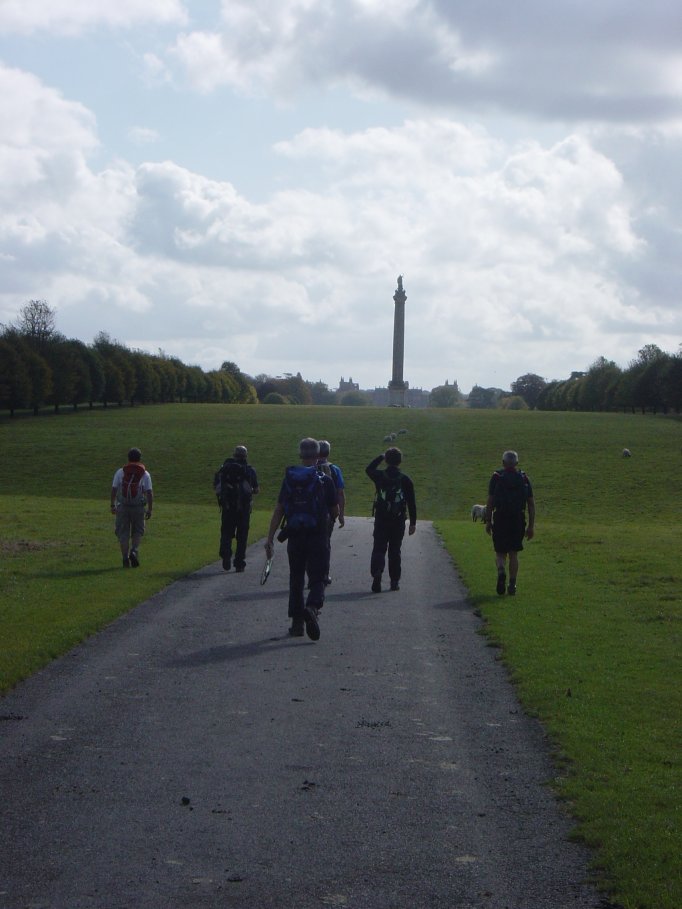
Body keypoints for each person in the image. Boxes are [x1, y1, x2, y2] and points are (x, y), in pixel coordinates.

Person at [265, 438, 338, 640]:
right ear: (318, 455)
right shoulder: (325, 479)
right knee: (319, 576)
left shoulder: (289, 479)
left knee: (296, 579)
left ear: (300, 455)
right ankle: (313, 607)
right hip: (318, 535)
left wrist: (270, 538)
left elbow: (279, 509)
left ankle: (297, 624)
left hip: (295, 536)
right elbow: (334, 510)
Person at [365, 447, 416, 593]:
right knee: (395, 550)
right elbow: (411, 503)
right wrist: (413, 523)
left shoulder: (379, 475)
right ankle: (394, 581)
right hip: (398, 520)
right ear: (400, 461)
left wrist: (380, 457)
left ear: (387, 460)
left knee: (379, 548)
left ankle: (377, 572)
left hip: (381, 518)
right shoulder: (405, 479)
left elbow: (368, 469)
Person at [485, 450, 535, 596]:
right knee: (514, 554)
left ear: (503, 463)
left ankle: (501, 570)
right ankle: (512, 584)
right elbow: (531, 504)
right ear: (517, 463)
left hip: (500, 517)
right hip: (518, 519)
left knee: (500, 552)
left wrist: (488, 521)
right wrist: (531, 526)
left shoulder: (496, 477)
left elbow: (490, 501)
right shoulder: (524, 478)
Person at [214, 445, 259, 572]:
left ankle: (226, 555)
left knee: (226, 532)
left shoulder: (224, 469)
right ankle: (239, 563)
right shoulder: (249, 470)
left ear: (234, 455)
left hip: (228, 507)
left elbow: (216, 487)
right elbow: (256, 489)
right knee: (242, 536)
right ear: (246, 456)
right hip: (244, 509)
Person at [110, 447, 153, 568]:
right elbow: (149, 492)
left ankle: (124, 559)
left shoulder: (121, 472)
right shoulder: (144, 473)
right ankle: (134, 551)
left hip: (122, 506)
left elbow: (114, 489)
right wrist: (150, 509)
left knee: (123, 533)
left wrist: (112, 504)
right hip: (138, 507)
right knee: (138, 531)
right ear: (140, 458)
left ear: (128, 458)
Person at [317, 439, 346, 585]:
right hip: (327, 512)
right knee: (325, 543)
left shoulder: (308, 468)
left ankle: (311, 574)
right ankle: (323, 574)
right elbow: (340, 493)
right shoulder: (334, 469)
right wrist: (340, 514)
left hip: (308, 512)